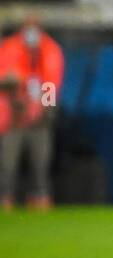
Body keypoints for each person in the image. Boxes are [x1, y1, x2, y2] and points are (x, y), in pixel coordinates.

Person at [0, 15, 65, 210]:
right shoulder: (11, 47)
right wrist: (19, 97)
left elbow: (52, 82)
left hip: (40, 118)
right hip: (14, 115)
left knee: (40, 160)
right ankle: (5, 197)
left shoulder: (50, 49)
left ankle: (40, 196)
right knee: (8, 161)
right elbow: (5, 77)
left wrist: (43, 109)